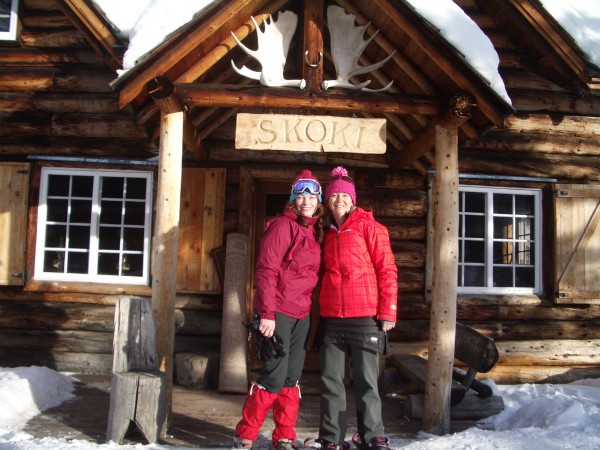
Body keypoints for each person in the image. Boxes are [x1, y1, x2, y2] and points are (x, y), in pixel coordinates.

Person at [307, 166, 398, 450]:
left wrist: (388, 312)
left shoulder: (369, 227)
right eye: (334, 196)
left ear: (353, 199)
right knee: (331, 381)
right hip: (332, 317)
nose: (339, 201)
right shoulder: (326, 232)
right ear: (327, 200)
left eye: (344, 196)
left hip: (365, 316)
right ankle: (331, 439)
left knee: (367, 382)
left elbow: (388, 270)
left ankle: (372, 436)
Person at [233, 169, 325, 450]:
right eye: (301, 195)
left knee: (290, 378)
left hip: (302, 315)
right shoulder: (282, 226)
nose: (306, 200)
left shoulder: (313, 229)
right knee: (273, 376)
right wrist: (267, 314)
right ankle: (245, 435)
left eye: (312, 195)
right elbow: (267, 270)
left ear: (318, 200)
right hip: (279, 312)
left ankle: (284, 436)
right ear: (293, 200)